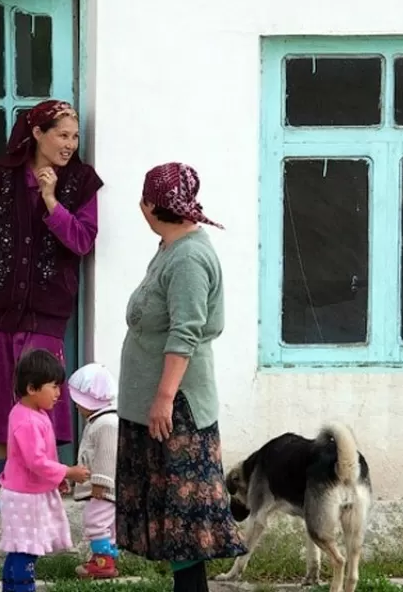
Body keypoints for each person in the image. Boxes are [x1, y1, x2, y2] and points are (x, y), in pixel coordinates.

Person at [115, 162, 247, 592]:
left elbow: (185, 331)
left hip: (177, 409)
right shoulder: (171, 247)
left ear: (151, 205)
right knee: (171, 516)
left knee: (182, 516)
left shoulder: (189, 257)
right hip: (160, 406)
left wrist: (164, 397)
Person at [0, 100, 104, 514]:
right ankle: (3, 481)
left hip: (45, 306)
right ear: (38, 135)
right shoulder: (2, 177)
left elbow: (82, 240)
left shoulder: (80, 182)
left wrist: (51, 200)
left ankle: (39, 477)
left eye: (75, 136)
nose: (70, 144)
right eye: (62, 135)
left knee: (41, 391)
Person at [0, 348, 91, 592]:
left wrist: (56, 479)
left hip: (29, 494)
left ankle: (12, 588)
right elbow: (36, 461)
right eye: (54, 386)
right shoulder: (27, 420)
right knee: (26, 549)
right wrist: (68, 472)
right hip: (24, 498)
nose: (59, 394)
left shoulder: (32, 414)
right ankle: (21, 588)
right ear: (32, 388)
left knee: (21, 547)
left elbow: (42, 457)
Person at [65, 362, 120, 580]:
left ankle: (102, 562)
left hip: (103, 489)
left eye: (79, 402)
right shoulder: (99, 421)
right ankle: (106, 559)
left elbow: (107, 456)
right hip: (101, 488)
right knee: (106, 524)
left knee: (95, 521)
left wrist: (100, 483)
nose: (77, 407)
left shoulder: (106, 423)